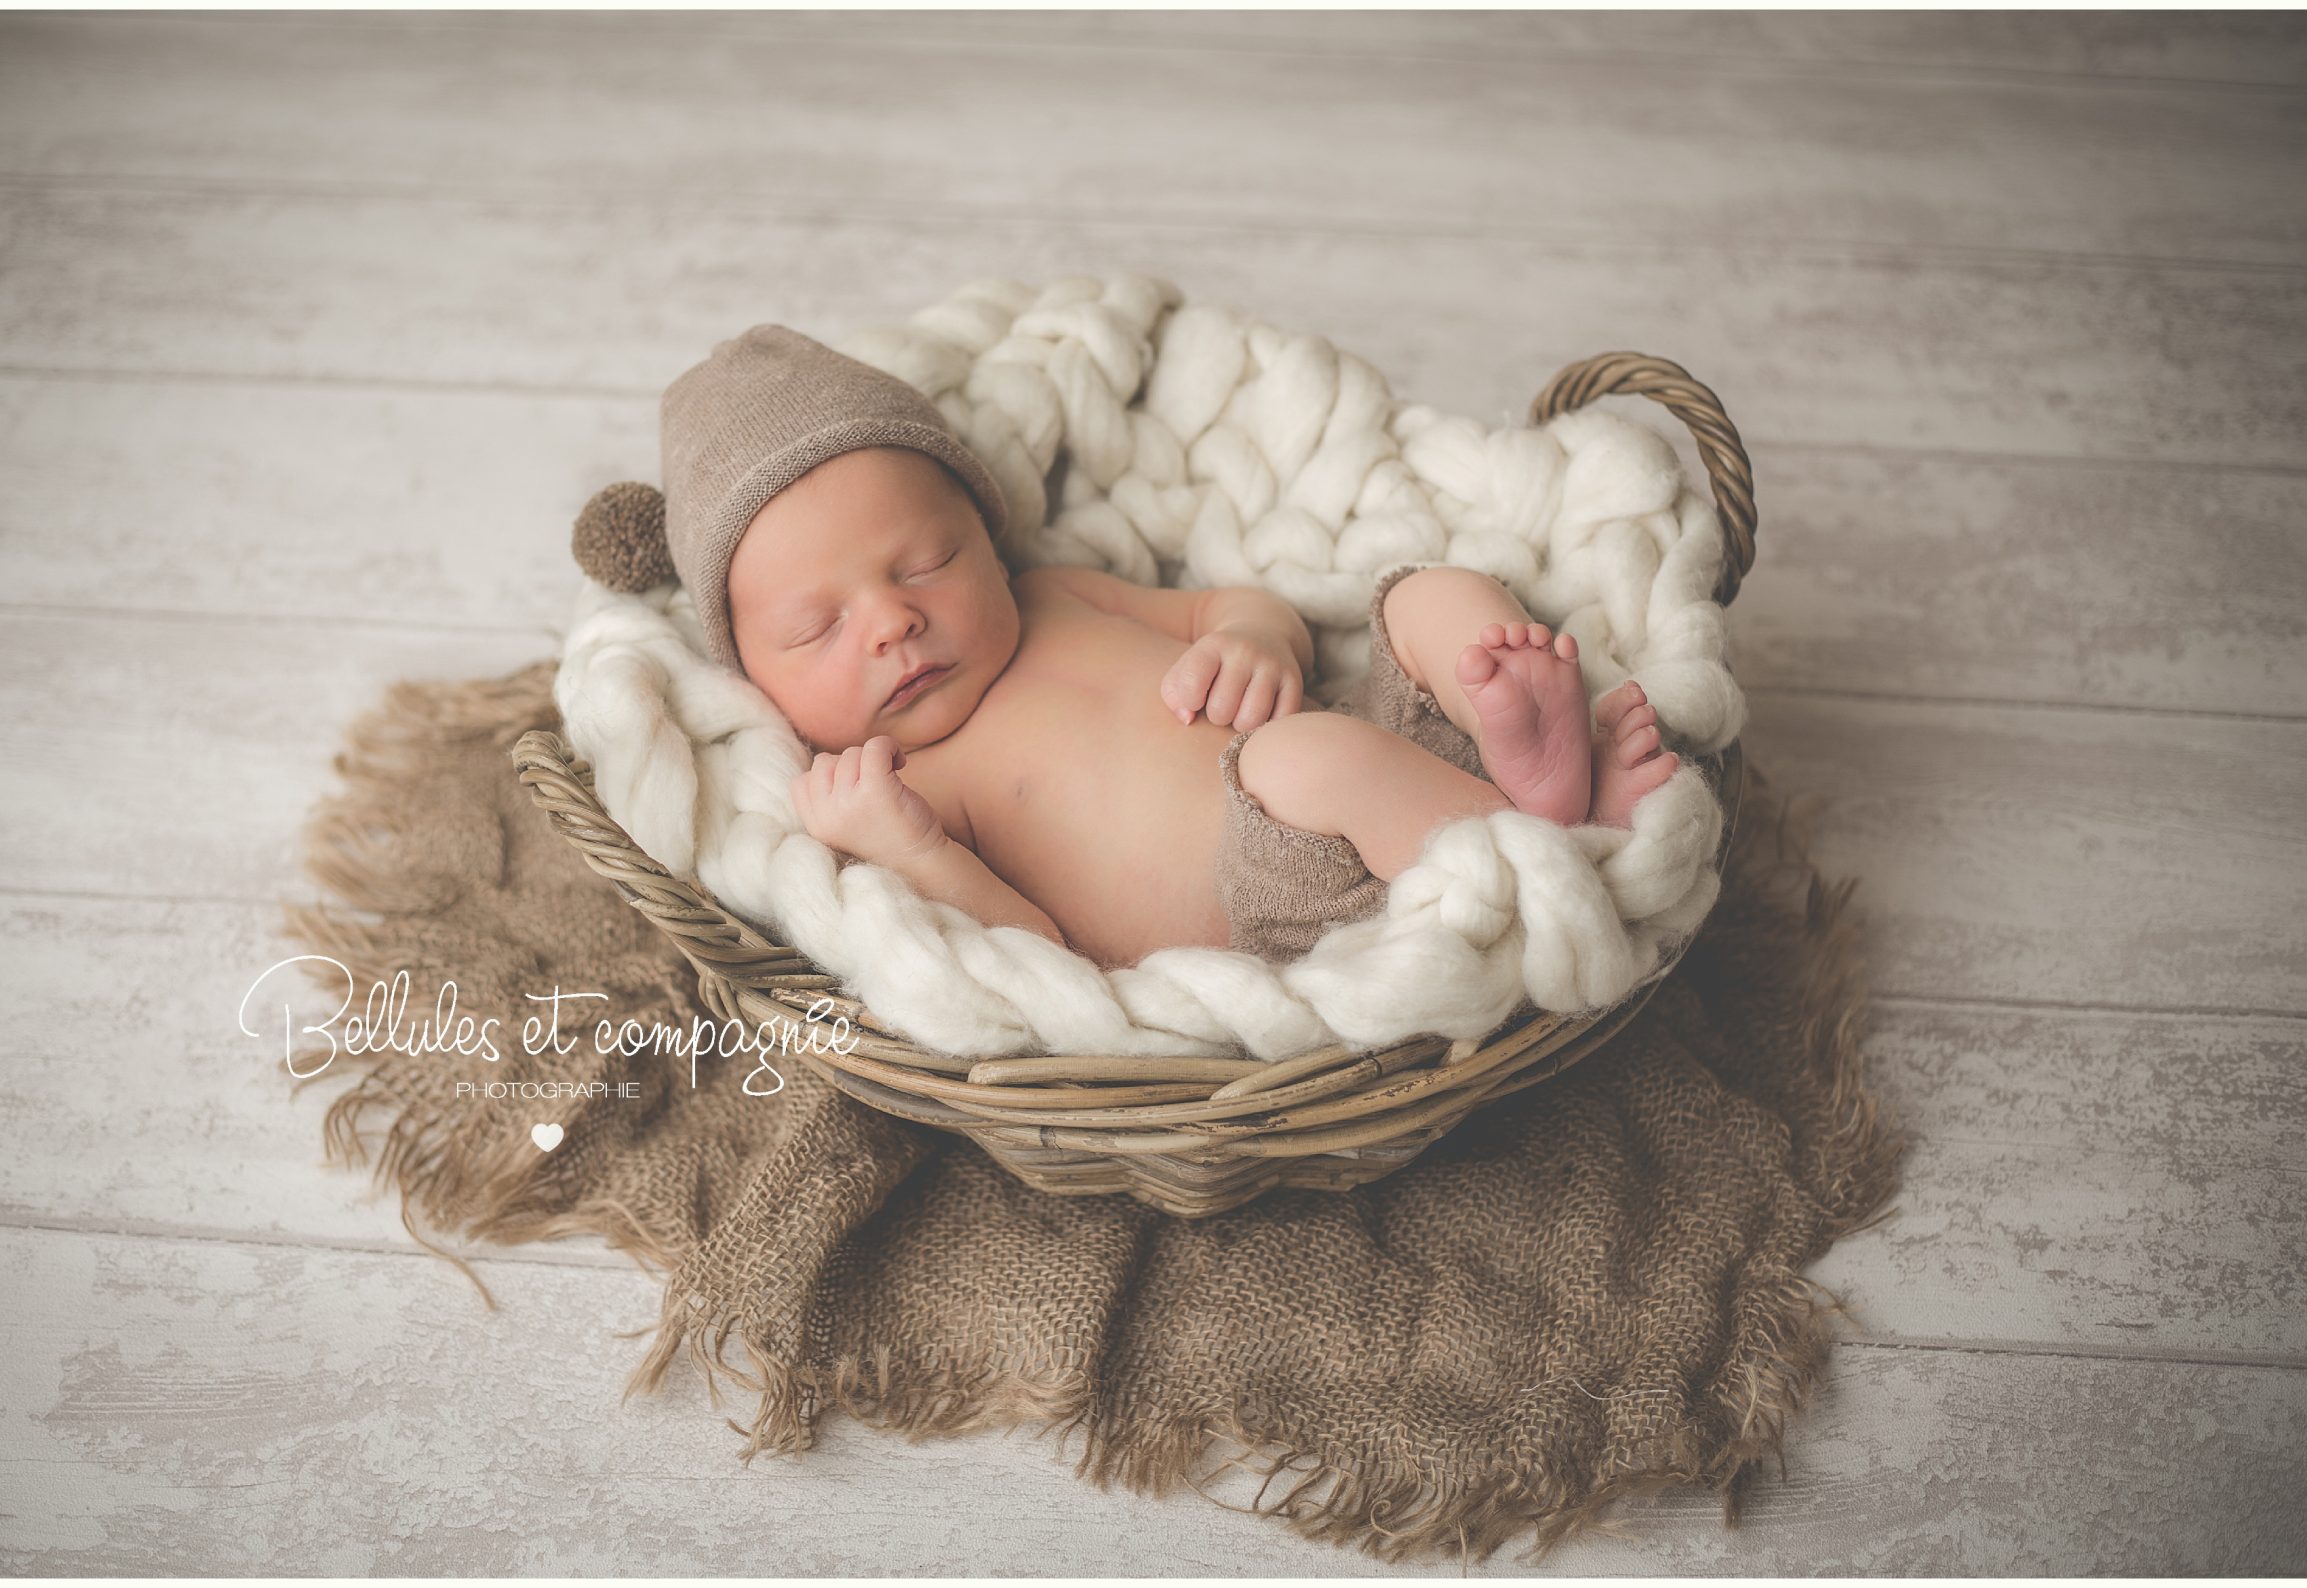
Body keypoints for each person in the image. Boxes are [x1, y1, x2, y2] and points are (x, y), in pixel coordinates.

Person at [601, 325, 1678, 971]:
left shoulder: (1056, 596)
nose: (891, 621)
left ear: (987, 535)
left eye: (927, 562)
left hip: (1379, 771)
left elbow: (1230, 609)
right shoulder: (914, 789)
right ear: (753, 675)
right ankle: (1555, 850)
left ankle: (1521, 762)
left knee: (1427, 596)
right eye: (818, 628)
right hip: (1285, 899)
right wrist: (914, 849)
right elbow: (1023, 954)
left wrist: (1254, 634)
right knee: (1297, 760)